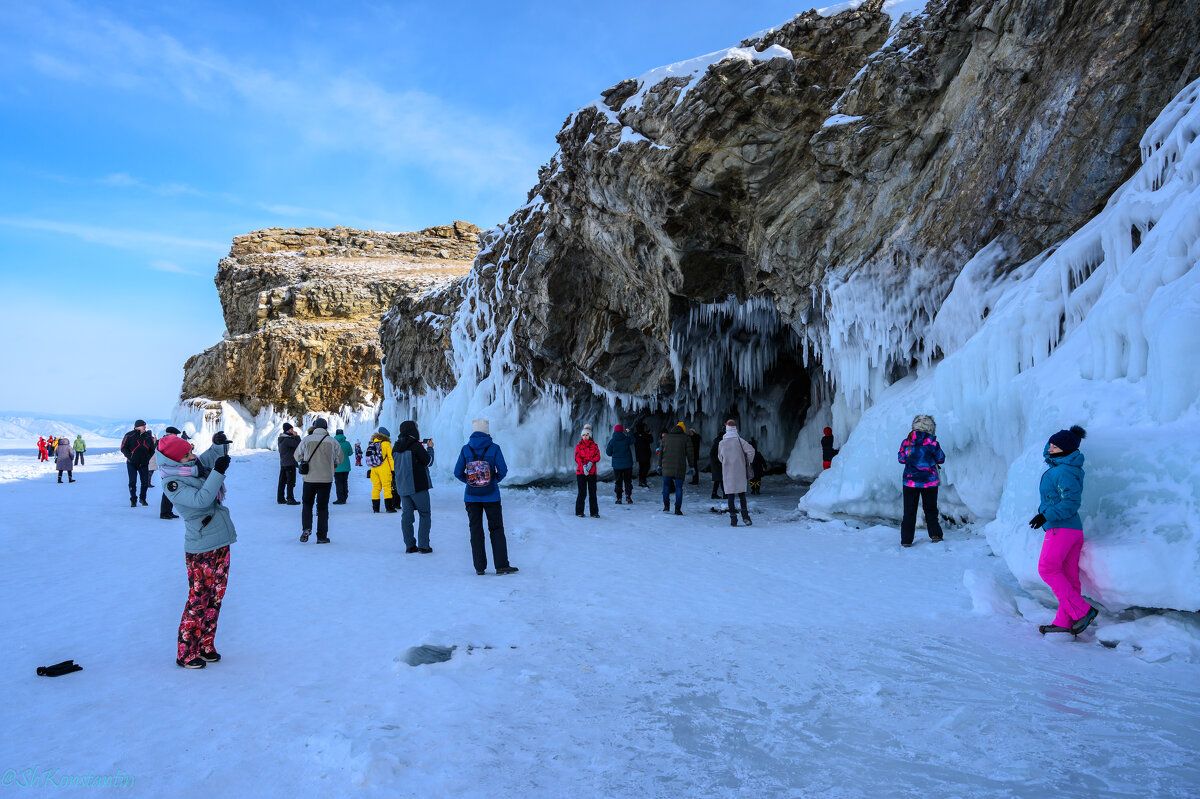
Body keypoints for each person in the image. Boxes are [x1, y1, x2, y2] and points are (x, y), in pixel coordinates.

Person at [157, 433, 235, 669]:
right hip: (201, 547)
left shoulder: (192, 467)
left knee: (215, 598)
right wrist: (218, 472)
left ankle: (205, 645)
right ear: (173, 461)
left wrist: (218, 446)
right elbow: (201, 499)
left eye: (191, 451)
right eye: (187, 455)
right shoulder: (173, 482)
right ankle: (186, 652)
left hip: (221, 541)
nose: (192, 456)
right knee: (199, 600)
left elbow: (208, 458)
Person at [1032, 426, 1099, 636]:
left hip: (1061, 528)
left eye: (1056, 446)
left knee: (1047, 568)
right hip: (1071, 530)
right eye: (1050, 445)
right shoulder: (1066, 468)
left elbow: (1071, 502)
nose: (1050, 449)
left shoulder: (1062, 471)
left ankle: (1083, 611)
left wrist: (1046, 515)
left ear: (1067, 449)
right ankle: (1064, 621)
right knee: (1069, 578)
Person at [454, 418, 517, 575]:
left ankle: (479, 567)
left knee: (475, 530)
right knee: (496, 529)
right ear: (487, 431)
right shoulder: (494, 448)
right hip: (492, 496)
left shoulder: (466, 449)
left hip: (471, 497)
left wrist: (470, 482)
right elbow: (503, 470)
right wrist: (493, 481)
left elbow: (457, 472)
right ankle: (501, 565)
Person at [897, 414, 945, 547]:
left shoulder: (907, 442)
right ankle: (935, 534)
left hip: (910, 482)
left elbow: (901, 459)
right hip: (929, 481)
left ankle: (906, 540)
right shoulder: (932, 443)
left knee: (909, 511)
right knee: (930, 509)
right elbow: (941, 458)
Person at [296, 419, 344, 543]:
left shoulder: (307, 439)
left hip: (309, 479)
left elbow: (297, 456)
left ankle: (306, 527)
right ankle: (321, 536)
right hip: (326, 479)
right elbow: (340, 459)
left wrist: (305, 459)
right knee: (322, 508)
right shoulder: (332, 441)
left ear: (314, 427)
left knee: (307, 504)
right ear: (326, 428)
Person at [394, 420, 435, 553]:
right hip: (418, 486)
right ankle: (423, 545)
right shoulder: (416, 446)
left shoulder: (396, 446)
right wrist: (430, 448)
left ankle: (410, 545)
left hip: (402, 487)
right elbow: (428, 462)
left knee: (407, 516)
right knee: (424, 514)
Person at [718, 421, 756, 526]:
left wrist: (726, 462)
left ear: (727, 429)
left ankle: (733, 519)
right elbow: (751, 451)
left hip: (728, 473)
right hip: (740, 472)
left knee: (730, 496)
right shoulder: (740, 441)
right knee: (742, 495)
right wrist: (747, 461)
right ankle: (745, 517)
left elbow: (720, 457)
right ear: (735, 428)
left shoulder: (722, 443)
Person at [120, 419, 155, 507]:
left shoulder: (148, 436)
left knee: (145, 482)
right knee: (132, 482)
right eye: (143, 425)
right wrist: (130, 457)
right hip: (132, 463)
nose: (145, 427)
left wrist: (147, 458)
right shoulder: (129, 435)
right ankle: (133, 500)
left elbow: (152, 449)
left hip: (144, 463)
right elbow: (123, 448)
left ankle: (142, 499)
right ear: (137, 426)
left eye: (145, 425)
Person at [660, 422, 692, 515]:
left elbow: (660, 453)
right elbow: (690, 454)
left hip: (666, 467)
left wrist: (659, 465)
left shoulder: (666, 437)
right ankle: (677, 508)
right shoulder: (686, 438)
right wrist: (692, 466)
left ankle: (666, 506)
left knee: (666, 486)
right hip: (679, 467)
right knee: (679, 488)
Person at [366, 427, 396, 514]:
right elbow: (390, 458)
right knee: (387, 488)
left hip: (374, 469)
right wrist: (393, 470)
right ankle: (389, 508)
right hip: (384, 468)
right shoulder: (386, 444)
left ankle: (376, 509)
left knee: (376, 488)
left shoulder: (373, 443)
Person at [574, 424, 601, 518]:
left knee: (592, 493)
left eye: (587, 435)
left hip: (592, 472)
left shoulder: (595, 446)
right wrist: (584, 466)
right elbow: (577, 457)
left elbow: (598, 456)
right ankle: (579, 511)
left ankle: (594, 512)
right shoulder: (579, 446)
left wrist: (591, 462)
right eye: (583, 435)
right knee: (582, 492)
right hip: (581, 472)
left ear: (590, 436)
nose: (585, 437)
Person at [606, 423, 634, 504]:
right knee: (628, 481)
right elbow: (633, 440)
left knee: (618, 481)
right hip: (627, 465)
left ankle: (619, 498)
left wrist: (615, 453)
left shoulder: (612, 441)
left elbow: (608, 452)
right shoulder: (626, 439)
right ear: (622, 431)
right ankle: (628, 496)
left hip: (617, 466)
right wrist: (629, 432)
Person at [159, 426, 183, 519]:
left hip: (169, 470)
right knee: (168, 491)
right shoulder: (165, 442)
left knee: (171, 490)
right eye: (175, 435)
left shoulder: (163, 442)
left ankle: (168, 511)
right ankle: (164, 513)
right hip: (168, 470)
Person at [277, 422, 301, 505]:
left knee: (282, 481)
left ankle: (280, 498)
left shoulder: (282, 439)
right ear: (288, 430)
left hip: (283, 463)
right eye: (291, 429)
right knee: (290, 482)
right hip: (290, 463)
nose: (293, 430)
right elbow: (298, 444)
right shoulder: (287, 440)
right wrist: (297, 436)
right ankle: (290, 499)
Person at [332, 428, 354, 505]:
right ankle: (345, 497)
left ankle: (340, 499)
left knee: (338, 483)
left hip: (337, 466)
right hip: (346, 466)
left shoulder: (333, 443)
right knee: (345, 482)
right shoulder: (347, 443)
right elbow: (350, 453)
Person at [634, 422, 653, 487]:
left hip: (639, 455)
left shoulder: (635, 435)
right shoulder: (645, 434)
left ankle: (641, 480)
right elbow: (651, 440)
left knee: (641, 468)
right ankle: (643, 481)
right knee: (646, 467)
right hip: (646, 454)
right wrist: (650, 434)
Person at [709, 434, 725, 499]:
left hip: (716, 464)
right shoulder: (719, 444)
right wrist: (719, 461)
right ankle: (725, 494)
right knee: (720, 479)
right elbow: (714, 455)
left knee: (718, 480)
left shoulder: (717, 443)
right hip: (717, 464)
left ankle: (714, 493)